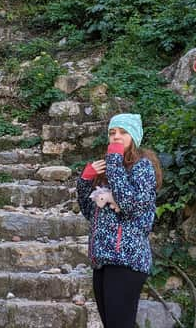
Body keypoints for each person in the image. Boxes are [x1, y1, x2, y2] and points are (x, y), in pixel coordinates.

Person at [76, 113, 162, 328]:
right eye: (112, 132)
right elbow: (90, 212)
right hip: (103, 260)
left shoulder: (143, 166)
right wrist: (85, 181)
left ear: (134, 136)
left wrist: (114, 162)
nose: (116, 137)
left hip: (127, 260)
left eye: (123, 133)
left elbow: (130, 205)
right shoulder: (109, 169)